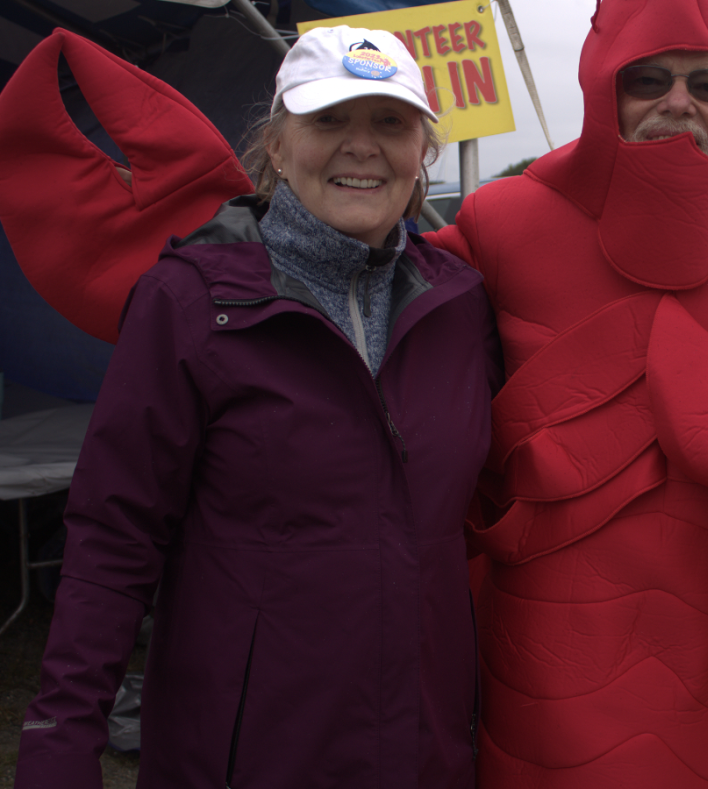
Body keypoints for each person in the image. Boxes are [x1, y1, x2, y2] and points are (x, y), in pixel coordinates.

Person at [16, 25, 500, 789]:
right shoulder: (188, 302)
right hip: (244, 754)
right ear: (275, 147)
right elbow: (114, 539)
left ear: (424, 153)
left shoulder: (462, 306)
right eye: (329, 121)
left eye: (389, 123)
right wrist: (60, 738)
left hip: (423, 748)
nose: (361, 146)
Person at [423, 0, 708, 785]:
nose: (678, 102)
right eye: (649, 79)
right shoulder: (502, 220)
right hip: (546, 659)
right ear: (603, 88)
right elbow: (361, 292)